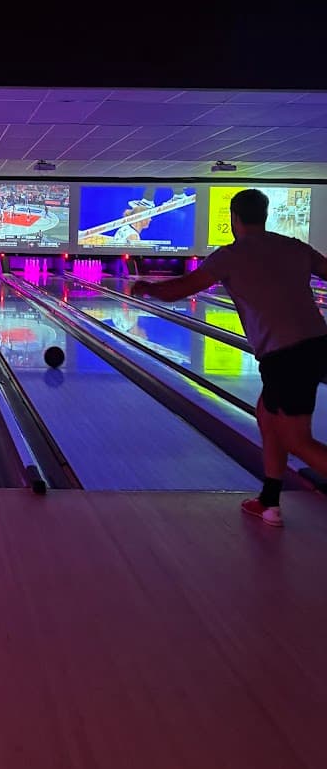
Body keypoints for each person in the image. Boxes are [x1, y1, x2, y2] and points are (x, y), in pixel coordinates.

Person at [130, 188, 327, 527]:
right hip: (315, 344)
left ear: (234, 219)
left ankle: (271, 500)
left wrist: (146, 287)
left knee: (296, 438)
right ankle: (270, 501)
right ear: (264, 216)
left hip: (286, 354)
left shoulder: (229, 256)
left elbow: (179, 289)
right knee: (267, 415)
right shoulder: (294, 247)